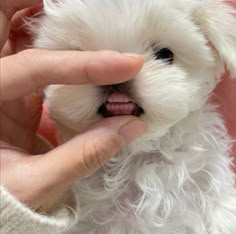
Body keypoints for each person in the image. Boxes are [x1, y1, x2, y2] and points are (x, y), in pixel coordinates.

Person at [0, 1, 235, 233]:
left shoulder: (211, 184)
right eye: (77, 56)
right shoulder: (39, 176)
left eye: (163, 55)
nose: (117, 79)